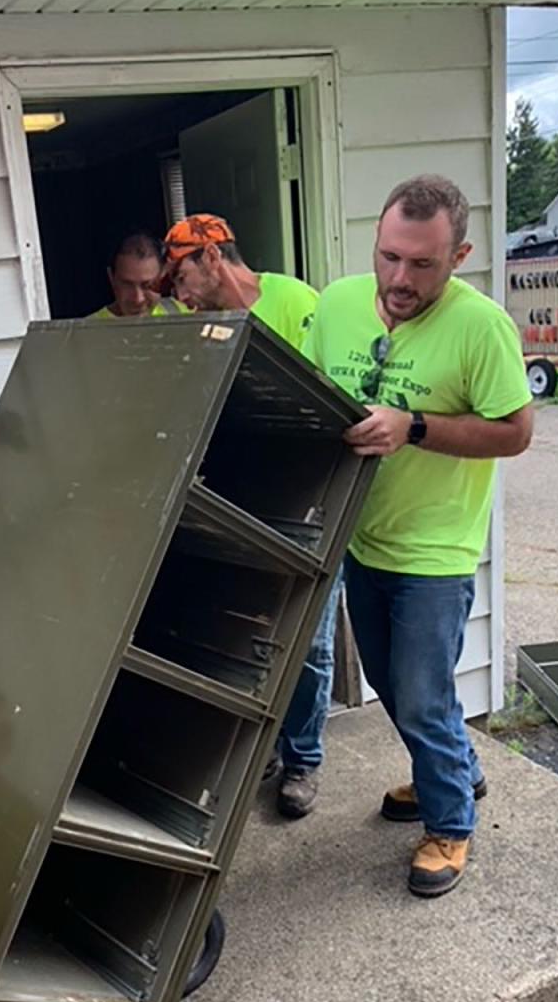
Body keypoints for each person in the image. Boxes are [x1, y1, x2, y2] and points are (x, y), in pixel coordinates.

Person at [303, 175, 533, 898]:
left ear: (458, 254)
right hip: (361, 537)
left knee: (422, 693)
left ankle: (449, 824)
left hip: (436, 549)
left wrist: (416, 427)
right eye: (388, 257)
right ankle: (456, 771)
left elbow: (516, 433)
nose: (399, 279)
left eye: (422, 265)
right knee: (393, 686)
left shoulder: (481, 326)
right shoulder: (338, 304)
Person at [162, 214, 338, 822]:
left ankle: (303, 758)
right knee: (249, 630)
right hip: (242, 495)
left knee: (309, 639)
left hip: (308, 493)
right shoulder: (203, 325)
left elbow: (327, 390)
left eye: (180, 274)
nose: (176, 291)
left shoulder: (296, 302)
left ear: (212, 258)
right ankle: (260, 748)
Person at [90, 232, 190, 320]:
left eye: (148, 285)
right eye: (127, 285)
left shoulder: (184, 315)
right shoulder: (87, 331)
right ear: (111, 278)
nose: (138, 299)